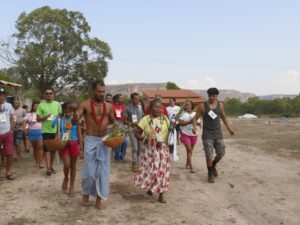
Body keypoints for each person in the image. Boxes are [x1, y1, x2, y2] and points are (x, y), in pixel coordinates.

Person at [78, 80, 115, 210]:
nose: (102, 94)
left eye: (103, 91)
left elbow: (113, 121)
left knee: (103, 171)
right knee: (89, 171)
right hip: (90, 140)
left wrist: (116, 128)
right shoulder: (85, 104)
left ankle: (100, 197)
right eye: (99, 91)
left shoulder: (109, 106)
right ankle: (86, 194)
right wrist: (74, 117)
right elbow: (76, 117)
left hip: (104, 140)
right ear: (93, 91)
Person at [192, 88, 234, 183]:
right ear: (207, 95)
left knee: (221, 153)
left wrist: (229, 129)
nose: (211, 97)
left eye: (213, 96)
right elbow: (195, 118)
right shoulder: (202, 106)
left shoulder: (221, 105)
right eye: (210, 95)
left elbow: (223, 117)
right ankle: (210, 173)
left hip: (218, 134)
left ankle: (214, 165)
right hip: (207, 135)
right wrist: (194, 127)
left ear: (217, 96)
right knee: (209, 155)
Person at [134, 99, 171, 203]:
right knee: (151, 171)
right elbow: (136, 133)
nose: (159, 109)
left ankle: (161, 194)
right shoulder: (145, 119)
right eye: (156, 107)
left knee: (162, 171)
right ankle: (150, 187)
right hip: (149, 151)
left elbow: (170, 132)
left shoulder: (165, 119)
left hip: (162, 149)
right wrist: (143, 139)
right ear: (151, 108)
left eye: (161, 107)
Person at [37, 88, 62, 176]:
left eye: (51, 93)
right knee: (47, 149)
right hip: (45, 130)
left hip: (55, 130)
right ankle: (48, 168)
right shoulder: (41, 105)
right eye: (47, 93)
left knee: (53, 150)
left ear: (53, 94)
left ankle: (51, 166)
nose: (49, 95)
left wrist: (59, 130)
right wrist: (45, 117)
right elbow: (38, 119)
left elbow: (60, 116)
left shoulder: (57, 104)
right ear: (45, 94)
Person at [60, 102, 82, 197]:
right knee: (66, 164)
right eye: (66, 111)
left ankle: (72, 187)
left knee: (73, 166)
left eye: (70, 111)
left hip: (74, 143)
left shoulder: (76, 120)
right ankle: (66, 177)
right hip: (64, 143)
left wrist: (81, 146)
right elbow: (57, 131)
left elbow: (79, 133)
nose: (68, 114)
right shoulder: (60, 120)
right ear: (63, 111)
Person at [123, 93, 143, 172]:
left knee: (140, 147)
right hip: (132, 130)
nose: (137, 100)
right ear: (131, 99)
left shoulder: (140, 107)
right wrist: (132, 123)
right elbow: (124, 121)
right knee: (135, 147)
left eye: (138, 99)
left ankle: (138, 162)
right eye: (135, 99)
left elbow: (142, 118)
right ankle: (134, 163)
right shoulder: (127, 108)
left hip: (140, 129)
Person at [178, 100, 199, 173]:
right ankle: (191, 167)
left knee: (190, 151)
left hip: (194, 134)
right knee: (189, 149)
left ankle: (187, 163)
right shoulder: (182, 114)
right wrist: (189, 122)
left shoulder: (195, 114)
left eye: (188, 105)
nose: (187, 106)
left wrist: (196, 125)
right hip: (185, 134)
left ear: (192, 106)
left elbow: (197, 122)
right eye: (186, 105)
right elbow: (180, 123)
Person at [0, 88, 15, 180]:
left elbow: (12, 117)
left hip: (7, 132)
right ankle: (0, 172)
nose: (1, 96)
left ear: (5, 96)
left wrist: (11, 128)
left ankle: (8, 172)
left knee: (9, 153)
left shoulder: (9, 105)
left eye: (2, 95)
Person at [26, 101, 44, 168]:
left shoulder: (41, 113)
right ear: (32, 107)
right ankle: (36, 162)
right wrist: (26, 129)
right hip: (32, 132)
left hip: (40, 131)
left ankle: (41, 162)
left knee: (40, 148)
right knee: (35, 148)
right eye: (34, 106)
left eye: (37, 106)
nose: (36, 107)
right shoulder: (28, 114)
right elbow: (26, 122)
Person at [112, 94, 128, 162]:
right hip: (116, 123)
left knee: (125, 141)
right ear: (116, 99)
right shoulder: (112, 106)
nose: (122, 99)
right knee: (117, 141)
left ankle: (123, 156)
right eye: (120, 98)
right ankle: (117, 157)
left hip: (123, 124)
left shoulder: (124, 106)